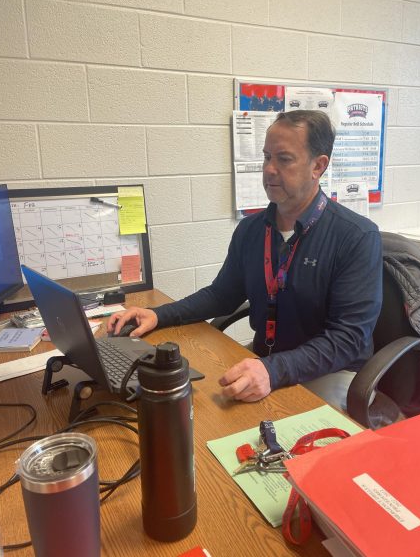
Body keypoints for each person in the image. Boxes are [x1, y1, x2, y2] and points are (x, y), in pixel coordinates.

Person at [108, 110, 382, 409]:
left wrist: (273, 369)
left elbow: (348, 339)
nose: (269, 170)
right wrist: (160, 314)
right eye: (266, 157)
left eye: (284, 159)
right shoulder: (253, 229)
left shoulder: (356, 236)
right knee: (200, 409)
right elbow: (221, 296)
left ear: (318, 166)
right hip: (265, 360)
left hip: (329, 371)